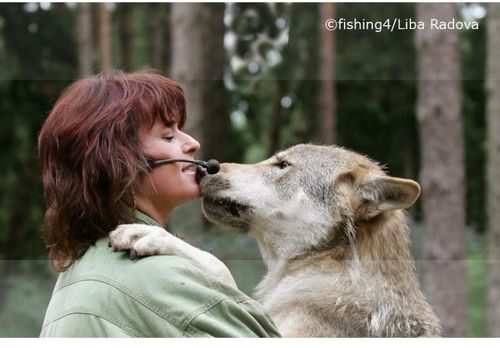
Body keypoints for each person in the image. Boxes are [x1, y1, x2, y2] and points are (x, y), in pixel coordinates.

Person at [38, 70, 281, 337]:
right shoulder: (155, 276)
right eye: (168, 136)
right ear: (118, 164)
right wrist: (220, 278)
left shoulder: (74, 277)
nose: (192, 143)